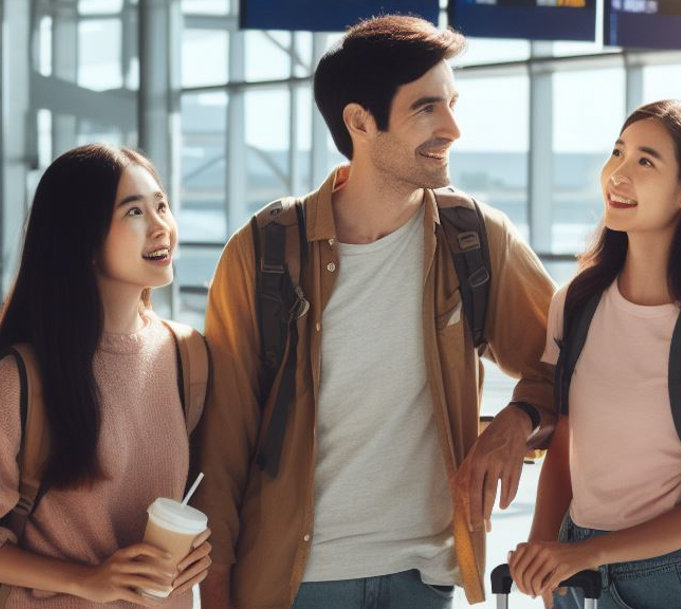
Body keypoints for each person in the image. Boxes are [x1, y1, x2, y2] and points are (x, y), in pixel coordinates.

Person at [192, 15, 557, 609]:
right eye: (427, 108)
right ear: (360, 121)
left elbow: (565, 360)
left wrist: (516, 421)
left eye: (453, 103)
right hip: (292, 580)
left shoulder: (476, 238)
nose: (453, 128)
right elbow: (223, 445)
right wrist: (217, 595)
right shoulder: (263, 252)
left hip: (425, 577)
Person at [508, 100, 681, 609]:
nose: (618, 172)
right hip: (573, 565)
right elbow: (567, 444)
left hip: (668, 580)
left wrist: (588, 555)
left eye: (645, 161)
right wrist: (546, 552)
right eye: (618, 152)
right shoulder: (576, 303)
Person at [0, 144, 212, 607]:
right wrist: (86, 580)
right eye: (135, 211)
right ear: (82, 239)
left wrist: (197, 552)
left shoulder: (189, 355)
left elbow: (192, 496)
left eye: (161, 205)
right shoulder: (23, 379)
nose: (162, 225)